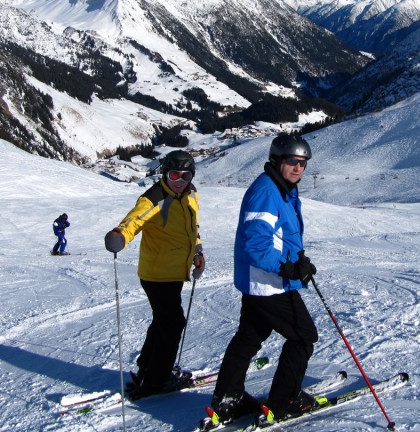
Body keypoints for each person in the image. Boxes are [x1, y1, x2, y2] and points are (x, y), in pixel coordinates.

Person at [207, 133, 318, 427]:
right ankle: (283, 402)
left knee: (249, 338)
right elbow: (255, 245)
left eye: (303, 163)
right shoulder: (267, 192)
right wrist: (288, 268)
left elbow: (280, 236)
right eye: (292, 161)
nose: (298, 168)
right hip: (269, 284)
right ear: (276, 160)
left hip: (262, 281)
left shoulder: (281, 189)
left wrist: (298, 262)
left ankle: (228, 399)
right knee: (303, 336)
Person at [104, 149, 206, 399]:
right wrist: (119, 236)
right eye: (174, 175)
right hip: (157, 274)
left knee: (163, 320)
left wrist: (198, 252)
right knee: (173, 324)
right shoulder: (154, 199)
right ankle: (156, 381)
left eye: (185, 175)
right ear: (164, 174)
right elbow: (133, 222)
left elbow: (192, 227)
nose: (179, 181)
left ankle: (148, 367)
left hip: (175, 272)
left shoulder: (191, 193)